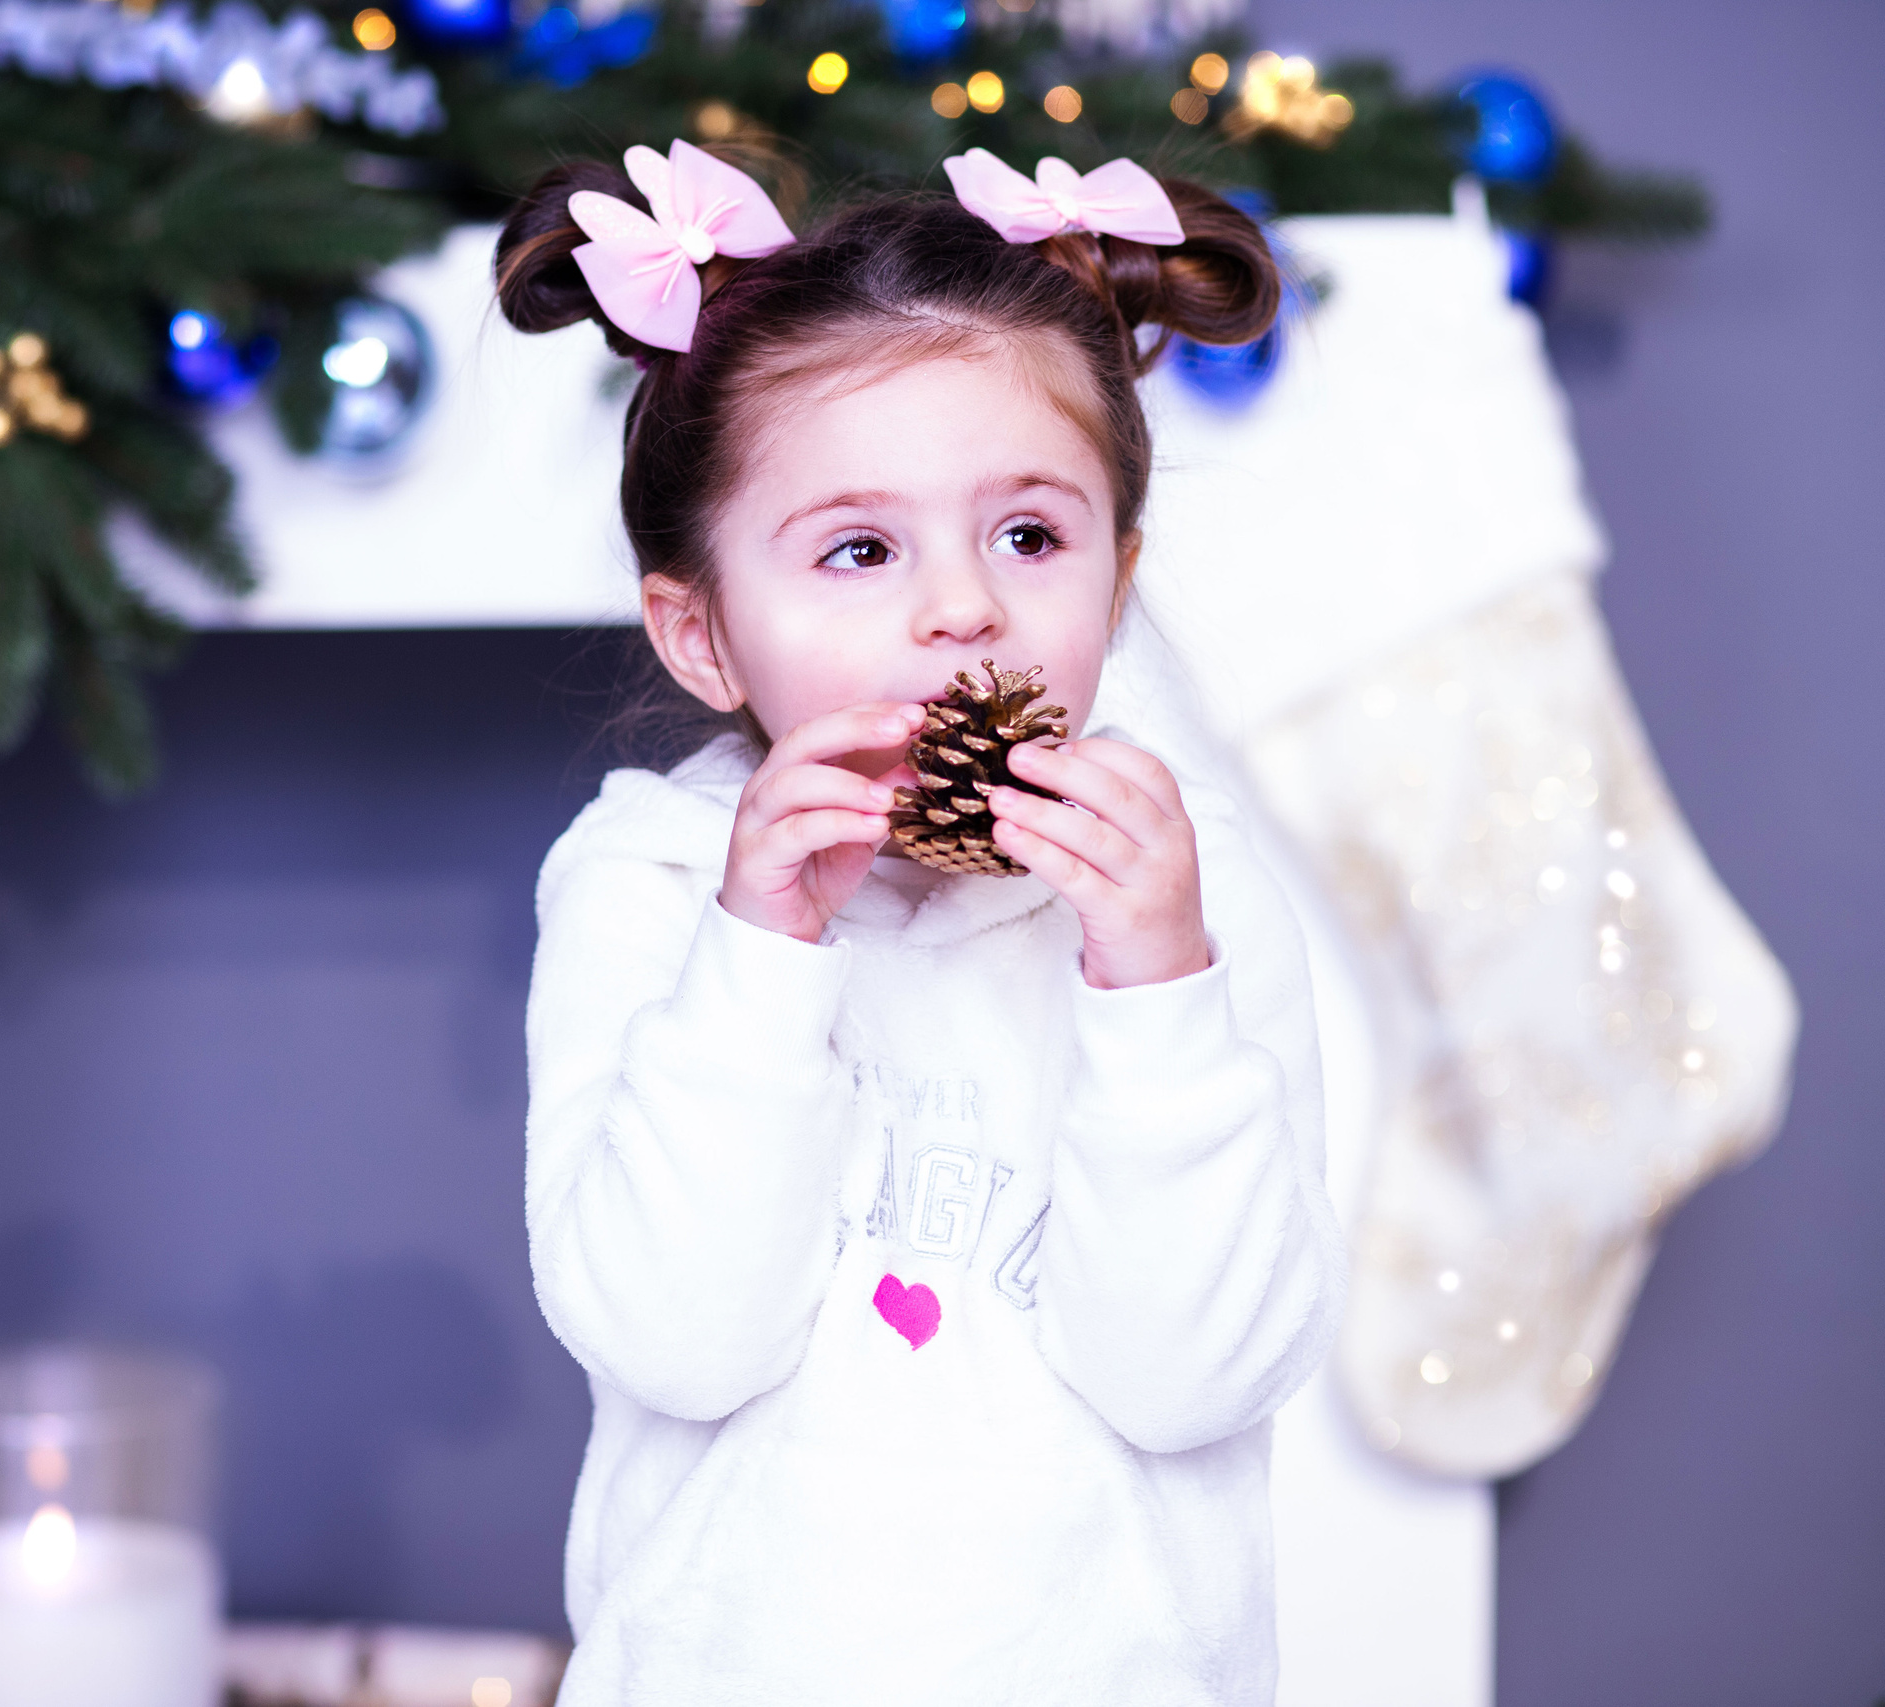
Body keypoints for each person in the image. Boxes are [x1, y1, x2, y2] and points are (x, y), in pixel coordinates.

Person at [499, 140, 1348, 1704]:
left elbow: (1199, 1379)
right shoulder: (648, 888)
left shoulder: (1190, 891)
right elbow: (678, 1339)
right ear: (704, 633)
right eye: (860, 550)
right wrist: (759, 960)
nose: (961, 607)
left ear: (1119, 570)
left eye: (1030, 535)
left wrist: (1155, 983)